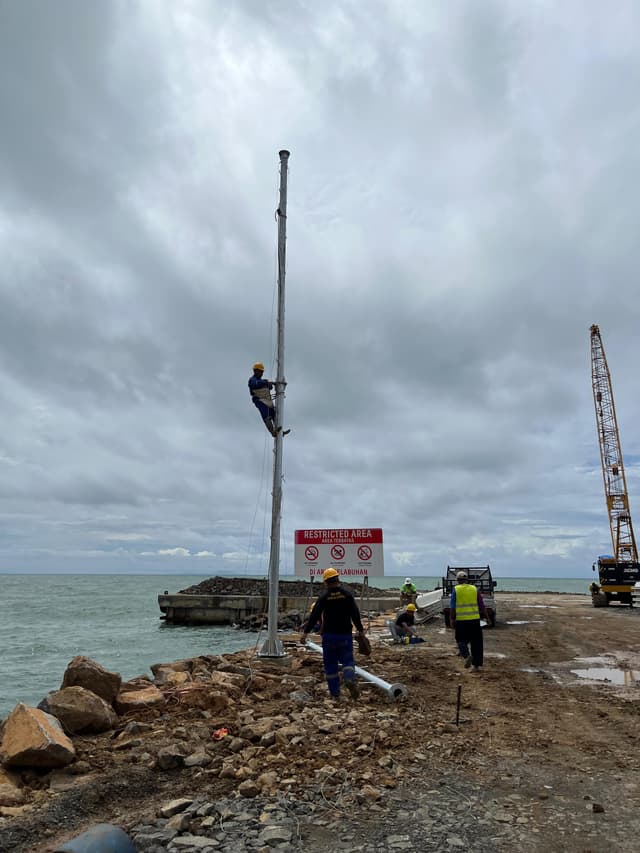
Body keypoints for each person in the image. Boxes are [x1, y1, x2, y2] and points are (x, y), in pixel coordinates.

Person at [300, 567, 365, 701]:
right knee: (347, 660)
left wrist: (305, 633)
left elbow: (314, 615)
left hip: (329, 636)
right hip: (345, 635)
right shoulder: (347, 594)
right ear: (338, 579)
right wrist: (361, 629)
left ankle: (335, 693)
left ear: (325, 582)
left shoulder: (324, 597)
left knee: (330, 664)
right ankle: (349, 679)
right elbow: (355, 614)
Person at [449, 570, 487, 673]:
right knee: (477, 643)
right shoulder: (474, 589)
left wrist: (452, 619)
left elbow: (452, 607)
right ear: (467, 580)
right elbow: (481, 605)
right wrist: (487, 617)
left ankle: (466, 656)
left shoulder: (456, 589)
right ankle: (476, 666)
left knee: (461, 640)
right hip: (475, 620)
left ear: (457, 580)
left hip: (461, 621)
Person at [248, 362, 290, 437]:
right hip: (260, 401)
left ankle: (279, 431)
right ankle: (273, 431)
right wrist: (267, 382)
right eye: (260, 371)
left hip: (267, 401)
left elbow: (267, 386)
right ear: (255, 371)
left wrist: (269, 385)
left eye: (262, 372)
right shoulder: (252, 380)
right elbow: (256, 384)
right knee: (266, 415)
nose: (261, 373)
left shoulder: (261, 380)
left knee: (274, 414)